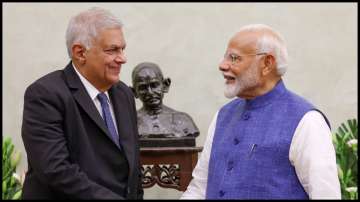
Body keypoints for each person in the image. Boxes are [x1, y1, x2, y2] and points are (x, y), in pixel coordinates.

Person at [181, 24, 341, 199]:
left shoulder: (308, 121)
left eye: (234, 58)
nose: (222, 65)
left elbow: (325, 195)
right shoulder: (223, 116)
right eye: (225, 57)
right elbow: (199, 188)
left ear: (267, 64)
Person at [21, 7, 143, 199]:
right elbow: (56, 170)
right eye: (112, 50)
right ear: (80, 53)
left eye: (122, 49)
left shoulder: (124, 94)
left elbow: (133, 165)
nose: (122, 58)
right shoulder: (45, 95)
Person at [131, 62, 199, 138]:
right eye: (143, 88)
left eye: (154, 85)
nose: (150, 92)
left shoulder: (184, 121)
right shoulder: (129, 122)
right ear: (134, 92)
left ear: (165, 85)